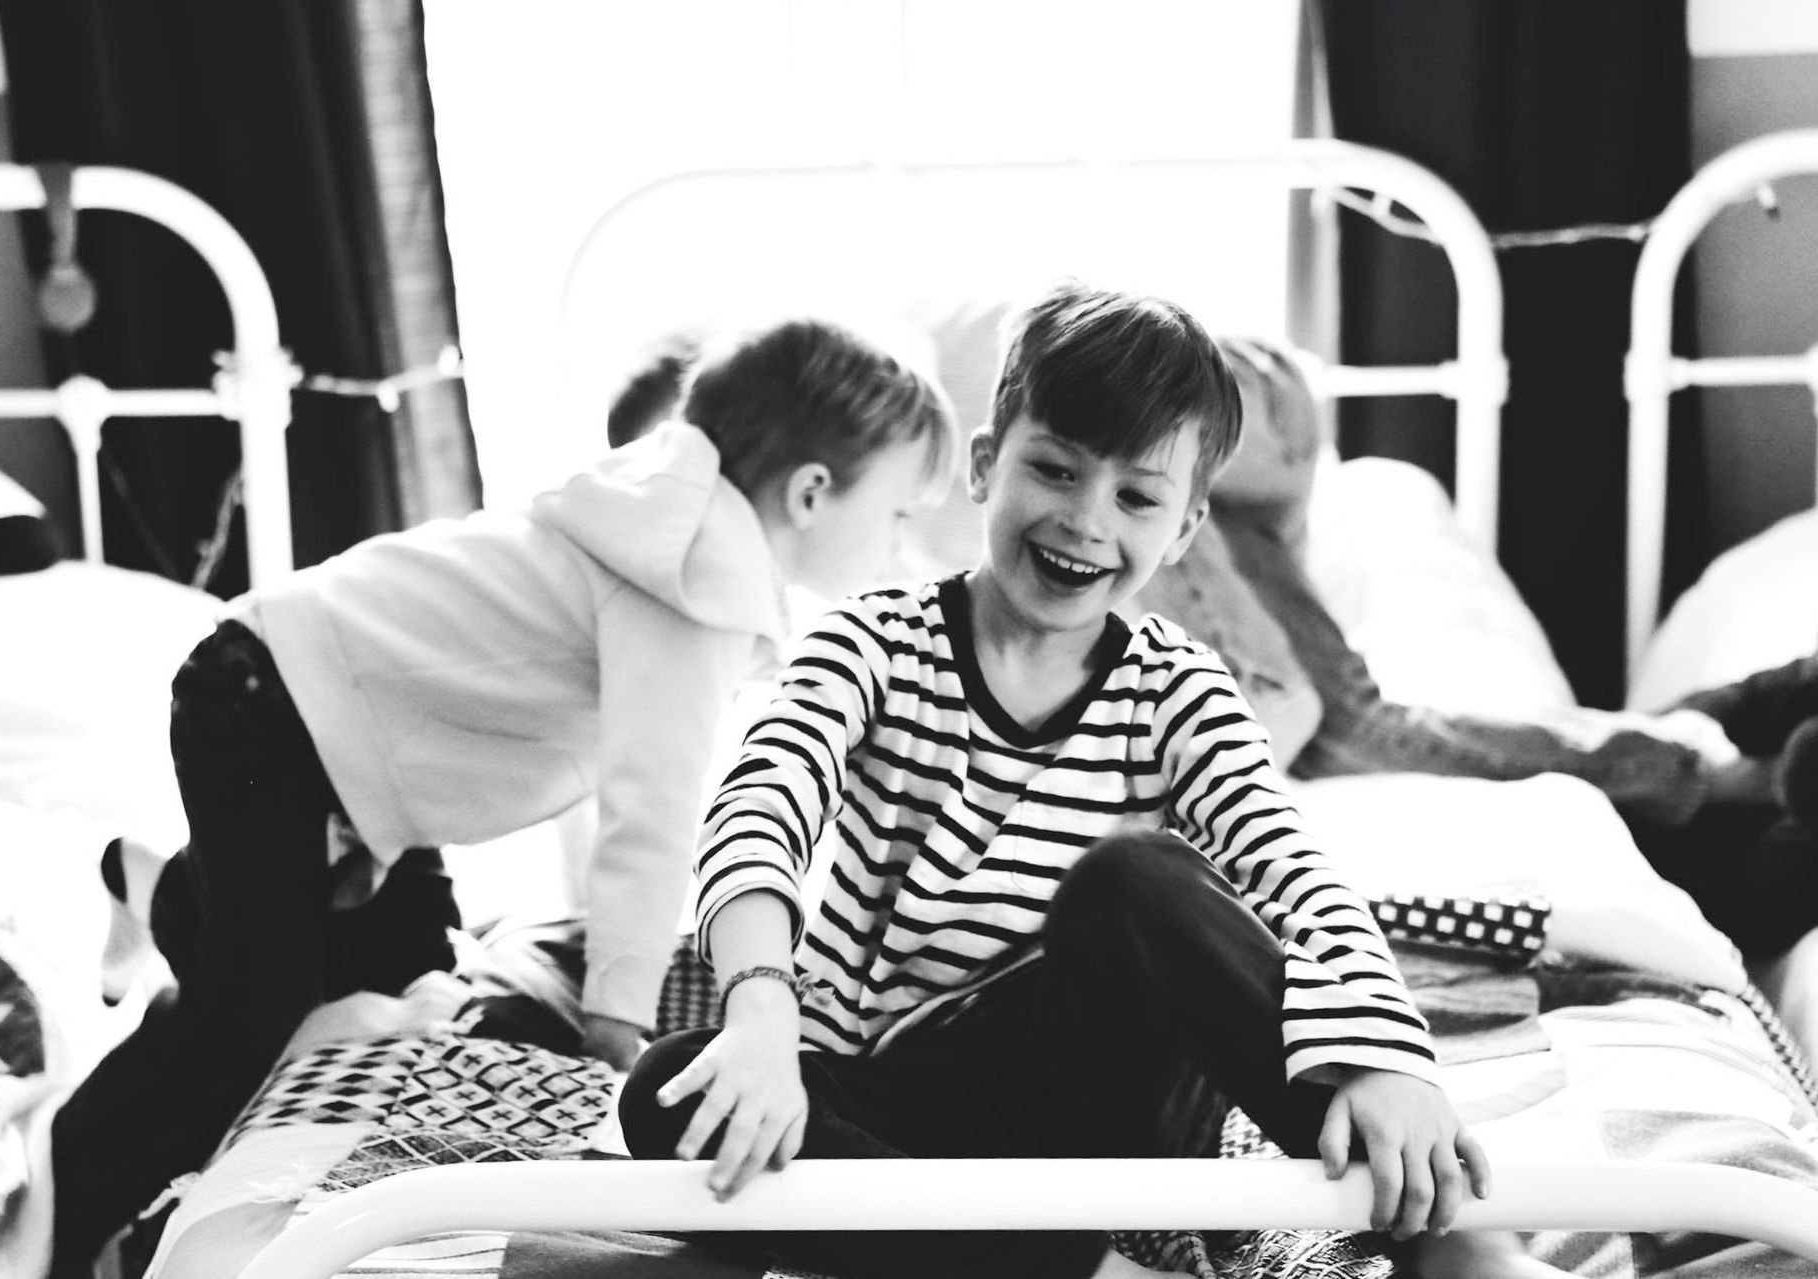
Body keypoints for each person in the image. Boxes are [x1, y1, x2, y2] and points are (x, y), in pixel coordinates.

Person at [619, 282, 1564, 1279]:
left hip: (1111, 1102)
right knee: (667, 1088)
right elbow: (764, 797)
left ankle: (1446, 1234)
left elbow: (1292, 875)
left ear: (1185, 528)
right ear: (986, 467)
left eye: (1136, 498)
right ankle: (1091, 1274)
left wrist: (1389, 1059)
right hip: (908, 1113)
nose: (1084, 520)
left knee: (1139, 876)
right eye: (1055, 471)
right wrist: (762, 1008)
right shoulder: (868, 641)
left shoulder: (1178, 687)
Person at [51, 317, 957, 1271]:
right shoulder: (696, 584)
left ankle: (159, 891)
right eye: (899, 516)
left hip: (341, 745)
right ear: (812, 493)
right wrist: (615, 1017)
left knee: (406, 981)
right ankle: (67, 1213)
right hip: (269, 706)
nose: (903, 551)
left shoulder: (665, 525)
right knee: (248, 1017)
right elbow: (652, 819)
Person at [1202, 336, 1818, 1051]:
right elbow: (1355, 731)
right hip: (1691, 805)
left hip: (1710, 806)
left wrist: (1670, 756)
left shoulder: (1224, 537)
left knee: (1717, 767)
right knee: (1708, 784)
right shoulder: (1218, 531)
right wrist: (1676, 760)